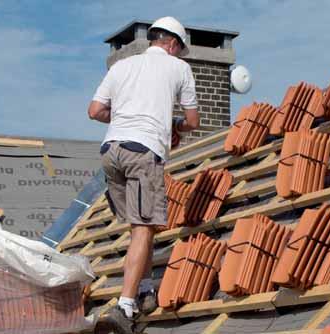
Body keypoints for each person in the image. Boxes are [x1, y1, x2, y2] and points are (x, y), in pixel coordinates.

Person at [88, 16, 199, 333]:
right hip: (142, 150)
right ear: (173, 44)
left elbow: (95, 111)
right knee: (144, 227)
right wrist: (175, 126)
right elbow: (192, 121)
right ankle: (124, 306)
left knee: (141, 226)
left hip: (111, 152)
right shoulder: (179, 69)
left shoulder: (121, 66)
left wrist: (124, 115)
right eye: (179, 50)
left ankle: (146, 288)